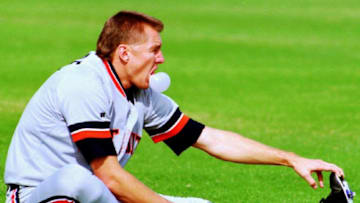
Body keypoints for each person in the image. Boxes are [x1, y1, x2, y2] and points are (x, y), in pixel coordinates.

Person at [4, 10, 344, 203]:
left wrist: (290, 158)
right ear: (125, 52)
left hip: (96, 195)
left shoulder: (139, 93)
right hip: (38, 195)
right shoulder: (84, 84)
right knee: (78, 181)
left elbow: (211, 139)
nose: (162, 58)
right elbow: (106, 173)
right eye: (155, 49)